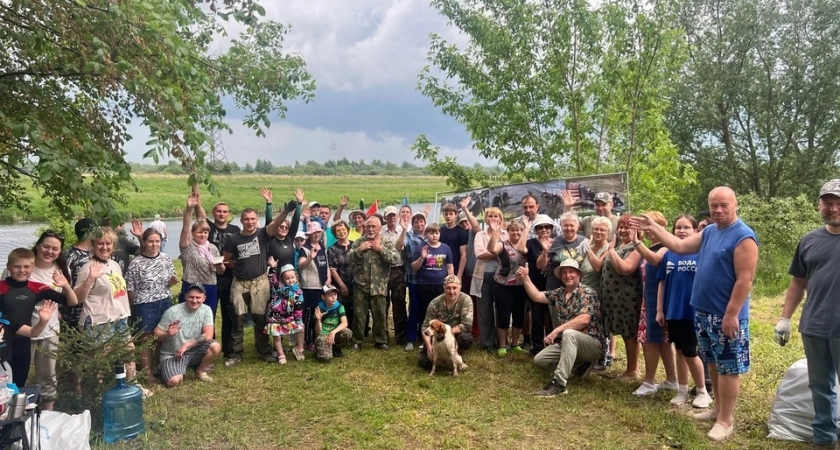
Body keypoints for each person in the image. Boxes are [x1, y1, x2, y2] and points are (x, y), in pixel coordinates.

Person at [632, 186, 758, 442]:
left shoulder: (743, 236)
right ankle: (717, 410)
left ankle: (726, 420)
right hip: (703, 312)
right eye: (714, 205)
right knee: (712, 361)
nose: (718, 210)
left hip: (726, 316)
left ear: (735, 205)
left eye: (724, 205)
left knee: (728, 367)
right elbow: (678, 245)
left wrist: (732, 314)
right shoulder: (710, 231)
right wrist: (653, 228)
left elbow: (745, 280)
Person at [776, 179, 840, 447]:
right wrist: (785, 318)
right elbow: (798, 281)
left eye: (839, 203)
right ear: (819, 205)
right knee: (820, 386)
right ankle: (824, 438)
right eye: (828, 202)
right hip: (814, 325)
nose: (834, 208)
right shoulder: (809, 240)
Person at [0, 247, 77, 407]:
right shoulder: (1, 287)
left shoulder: (37, 288)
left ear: (32, 268)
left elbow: (72, 302)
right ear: (8, 267)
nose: (22, 270)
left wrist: (66, 286)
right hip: (3, 342)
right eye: (17, 266)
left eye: (26, 267)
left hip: (23, 341)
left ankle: (13, 421)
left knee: (18, 383)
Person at [518, 260, 605, 397]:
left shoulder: (588, 292)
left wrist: (557, 330)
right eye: (564, 272)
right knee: (540, 360)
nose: (567, 275)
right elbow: (536, 296)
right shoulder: (560, 293)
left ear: (578, 275)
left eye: (571, 272)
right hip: (569, 342)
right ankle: (581, 363)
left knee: (569, 333)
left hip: (592, 344)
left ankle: (559, 384)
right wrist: (525, 278)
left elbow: (584, 320)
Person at [222, 196, 292, 366]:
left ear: (256, 219)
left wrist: (286, 211)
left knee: (260, 317)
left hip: (260, 281)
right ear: (241, 220)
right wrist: (235, 265)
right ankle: (236, 352)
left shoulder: (263, 234)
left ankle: (263, 350)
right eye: (246, 219)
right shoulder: (234, 239)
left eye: (253, 219)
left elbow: (275, 224)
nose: (250, 222)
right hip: (239, 282)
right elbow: (226, 259)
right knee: (237, 318)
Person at [656, 214, 711, 408]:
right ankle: (682, 389)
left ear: (696, 231)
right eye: (678, 227)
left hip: (693, 310)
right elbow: (662, 283)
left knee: (690, 351)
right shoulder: (669, 253)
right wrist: (659, 310)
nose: (681, 231)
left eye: (686, 227)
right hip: (673, 310)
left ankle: (703, 390)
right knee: (679, 350)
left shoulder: (701, 252)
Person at [631, 211, 677, 396]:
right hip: (648, 300)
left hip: (658, 302)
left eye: (651, 226)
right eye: (645, 227)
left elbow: (656, 260)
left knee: (649, 341)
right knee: (662, 342)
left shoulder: (666, 246)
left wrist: (637, 243)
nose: (648, 231)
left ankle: (649, 381)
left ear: (662, 226)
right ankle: (671, 379)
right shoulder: (652, 246)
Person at [125, 228, 178, 379]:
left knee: (162, 335)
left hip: (164, 300)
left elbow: (170, 279)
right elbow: (130, 287)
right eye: (151, 241)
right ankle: (147, 372)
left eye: (157, 241)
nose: (154, 244)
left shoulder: (166, 258)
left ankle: (160, 366)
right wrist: (132, 305)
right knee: (146, 338)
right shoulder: (136, 262)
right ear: (144, 242)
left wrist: (171, 283)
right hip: (144, 303)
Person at [347, 214, 402, 350]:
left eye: (374, 226)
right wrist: (360, 249)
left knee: (380, 314)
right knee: (359, 315)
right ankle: (357, 341)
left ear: (379, 228)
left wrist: (381, 250)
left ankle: (380, 340)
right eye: (368, 226)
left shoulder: (386, 242)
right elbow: (348, 259)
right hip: (361, 285)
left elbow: (396, 258)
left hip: (379, 285)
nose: (371, 229)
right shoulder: (359, 242)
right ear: (365, 228)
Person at [196, 199, 241, 361]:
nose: (221, 214)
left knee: (229, 313)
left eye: (224, 211)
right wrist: (197, 201)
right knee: (210, 314)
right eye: (218, 211)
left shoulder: (235, 230)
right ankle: (209, 348)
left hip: (229, 276)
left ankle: (229, 349)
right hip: (211, 277)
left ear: (229, 214)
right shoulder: (209, 227)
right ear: (213, 213)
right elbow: (199, 215)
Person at [600, 215, 643, 380]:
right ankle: (629, 369)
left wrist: (610, 251)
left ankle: (632, 370)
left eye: (628, 228)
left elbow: (625, 268)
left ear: (637, 230)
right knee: (624, 333)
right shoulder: (620, 245)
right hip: (614, 298)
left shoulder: (637, 248)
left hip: (627, 297)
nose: (624, 231)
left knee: (629, 333)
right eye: (621, 227)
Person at [153, 284, 221, 387]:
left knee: (215, 346)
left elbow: (208, 334)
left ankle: (200, 371)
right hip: (173, 354)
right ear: (185, 297)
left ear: (204, 298)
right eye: (191, 297)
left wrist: (187, 344)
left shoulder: (206, 310)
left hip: (192, 350)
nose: (194, 300)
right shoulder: (172, 311)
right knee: (174, 381)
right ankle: (173, 369)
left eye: (198, 297)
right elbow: (156, 333)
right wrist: (168, 334)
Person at [179, 193, 225, 320]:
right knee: (189, 317)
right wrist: (189, 209)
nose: (203, 235)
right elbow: (185, 228)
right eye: (199, 232)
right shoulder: (187, 246)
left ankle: (208, 339)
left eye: (205, 232)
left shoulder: (212, 248)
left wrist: (220, 266)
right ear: (193, 233)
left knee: (208, 317)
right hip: (191, 285)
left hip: (210, 286)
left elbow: (221, 272)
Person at [486, 218, 528, 356]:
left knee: (519, 315)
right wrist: (495, 233)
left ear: (522, 231)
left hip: (521, 285)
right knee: (503, 315)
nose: (516, 233)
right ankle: (502, 345)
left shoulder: (526, 245)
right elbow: (491, 249)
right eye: (513, 230)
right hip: (503, 284)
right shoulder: (502, 244)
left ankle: (515, 343)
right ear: (508, 231)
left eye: (519, 230)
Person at [418, 275, 474, 371]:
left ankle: (456, 357)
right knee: (424, 363)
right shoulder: (434, 303)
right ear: (444, 288)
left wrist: (448, 332)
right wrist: (428, 346)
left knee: (466, 338)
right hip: (437, 337)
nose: (451, 291)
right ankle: (440, 359)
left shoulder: (466, 300)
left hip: (455, 335)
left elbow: (467, 325)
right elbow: (424, 327)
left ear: (460, 287)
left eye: (454, 288)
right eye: (448, 288)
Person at [410, 223, 454, 338]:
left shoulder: (446, 248)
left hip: (440, 285)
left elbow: (449, 266)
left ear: (440, 234)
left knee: (441, 311)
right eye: (431, 233)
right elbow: (414, 267)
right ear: (427, 234)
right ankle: (424, 336)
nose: (434, 235)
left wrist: (451, 282)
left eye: (436, 233)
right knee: (424, 310)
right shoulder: (421, 247)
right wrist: (422, 257)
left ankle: (440, 334)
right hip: (425, 285)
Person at [472, 208, 506, 351]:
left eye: (495, 216)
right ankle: (487, 343)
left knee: (501, 309)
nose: (492, 218)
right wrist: (498, 252)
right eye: (490, 216)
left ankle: (502, 342)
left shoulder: (506, 234)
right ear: (486, 219)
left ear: (500, 218)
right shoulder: (480, 235)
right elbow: (479, 254)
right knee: (484, 309)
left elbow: (509, 252)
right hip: (483, 275)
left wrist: (497, 251)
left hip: (502, 277)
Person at [0, 299, 59, 382]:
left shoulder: (6, 321)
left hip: (3, 369)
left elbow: (32, 332)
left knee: (9, 392)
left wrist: (43, 321)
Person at [398, 211, 428, 351]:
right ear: (413, 224)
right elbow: (399, 247)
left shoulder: (431, 236)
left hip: (429, 280)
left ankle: (424, 337)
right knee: (414, 308)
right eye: (416, 222)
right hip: (414, 279)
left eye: (421, 221)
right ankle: (410, 339)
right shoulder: (409, 236)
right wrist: (404, 230)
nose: (419, 224)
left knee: (427, 309)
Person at [524, 214, 554, 355]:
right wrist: (545, 251)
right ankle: (537, 347)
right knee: (537, 317)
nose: (544, 230)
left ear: (551, 229)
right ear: (536, 230)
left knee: (553, 317)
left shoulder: (557, 242)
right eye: (540, 227)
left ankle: (553, 344)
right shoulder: (531, 243)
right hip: (536, 285)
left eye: (547, 227)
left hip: (553, 285)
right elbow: (540, 265)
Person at [299, 221, 331, 350]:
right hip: (309, 287)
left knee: (320, 314)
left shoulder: (322, 246)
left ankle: (319, 337)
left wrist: (328, 278)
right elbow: (300, 265)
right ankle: (308, 341)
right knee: (308, 315)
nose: (316, 235)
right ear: (309, 235)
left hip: (322, 286)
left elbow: (326, 264)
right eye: (314, 233)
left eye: (318, 232)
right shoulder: (304, 248)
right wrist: (310, 258)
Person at [265, 262, 305, 364]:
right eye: (287, 278)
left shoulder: (298, 292)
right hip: (275, 318)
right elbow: (271, 278)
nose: (291, 280)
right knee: (277, 336)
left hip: (289, 317)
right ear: (282, 279)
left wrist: (299, 320)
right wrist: (273, 267)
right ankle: (281, 355)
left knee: (301, 329)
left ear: (296, 277)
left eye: (292, 277)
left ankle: (299, 349)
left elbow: (298, 307)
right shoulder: (278, 287)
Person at [381, 206, 408, 349]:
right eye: (389, 216)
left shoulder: (403, 230)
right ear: (385, 218)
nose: (391, 218)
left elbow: (401, 249)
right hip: (384, 270)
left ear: (397, 216)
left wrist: (403, 230)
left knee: (399, 304)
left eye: (394, 216)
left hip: (398, 269)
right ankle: (382, 336)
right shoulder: (380, 231)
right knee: (382, 304)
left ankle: (401, 337)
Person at [262, 188, 304, 269]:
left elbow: (295, 222)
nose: (284, 229)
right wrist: (269, 204)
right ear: (275, 228)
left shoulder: (289, 239)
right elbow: (269, 222)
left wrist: (299, 203)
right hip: (274, 276)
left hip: (289, 276)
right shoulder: (270, 239)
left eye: (286, 227)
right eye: (281, 226)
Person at [328, 220, 355, 332]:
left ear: (347, 230)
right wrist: (342, 285)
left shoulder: (355, 244)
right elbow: (333, 269)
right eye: (338, 231)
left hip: (356, 282)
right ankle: (342, 332)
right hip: (340, 283)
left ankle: (356, 332)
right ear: (335, 234)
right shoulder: (332, 249)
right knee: (343, 309)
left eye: (343, 229)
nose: (342, 232)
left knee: (356, 308)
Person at [314, 285, 354, 362]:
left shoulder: (339, 306)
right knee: (325, 358)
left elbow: (345, 323)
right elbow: (318, 331)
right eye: (330, 295)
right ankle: (318, 350)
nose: (333, 297)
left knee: (347, 332)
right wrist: (318, 320)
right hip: (323, 334)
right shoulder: (319, 308)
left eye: (335, 295)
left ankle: (336, 349)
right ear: (323, 297)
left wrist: (333, 332)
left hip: (334, 333)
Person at [439, 202, 469, 283]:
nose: (448, 216)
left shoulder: (461, 232)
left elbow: (463, 255)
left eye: (451, 214)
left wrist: (459, 275)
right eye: (446, 214)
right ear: (443, 215)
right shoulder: (440, 231)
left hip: (456, 267)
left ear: (455, 215)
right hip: (441, 267)